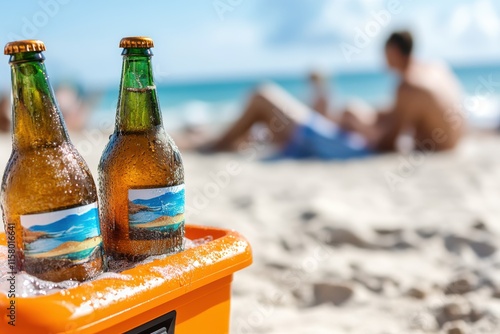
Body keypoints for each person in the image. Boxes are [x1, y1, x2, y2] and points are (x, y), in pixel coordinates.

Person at [207, 31, 464, 159]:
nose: (383, 61)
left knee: (262, 95)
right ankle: (224, 143)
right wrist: (365, 115)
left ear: (395, 52)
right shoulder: (436, 70)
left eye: (385, 55)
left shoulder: (408, 86)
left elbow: (388, 145)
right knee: (267, 112)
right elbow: (406, 120)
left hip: (358, 147)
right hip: (445, 146)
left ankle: (216, 147)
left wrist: (358, 123)